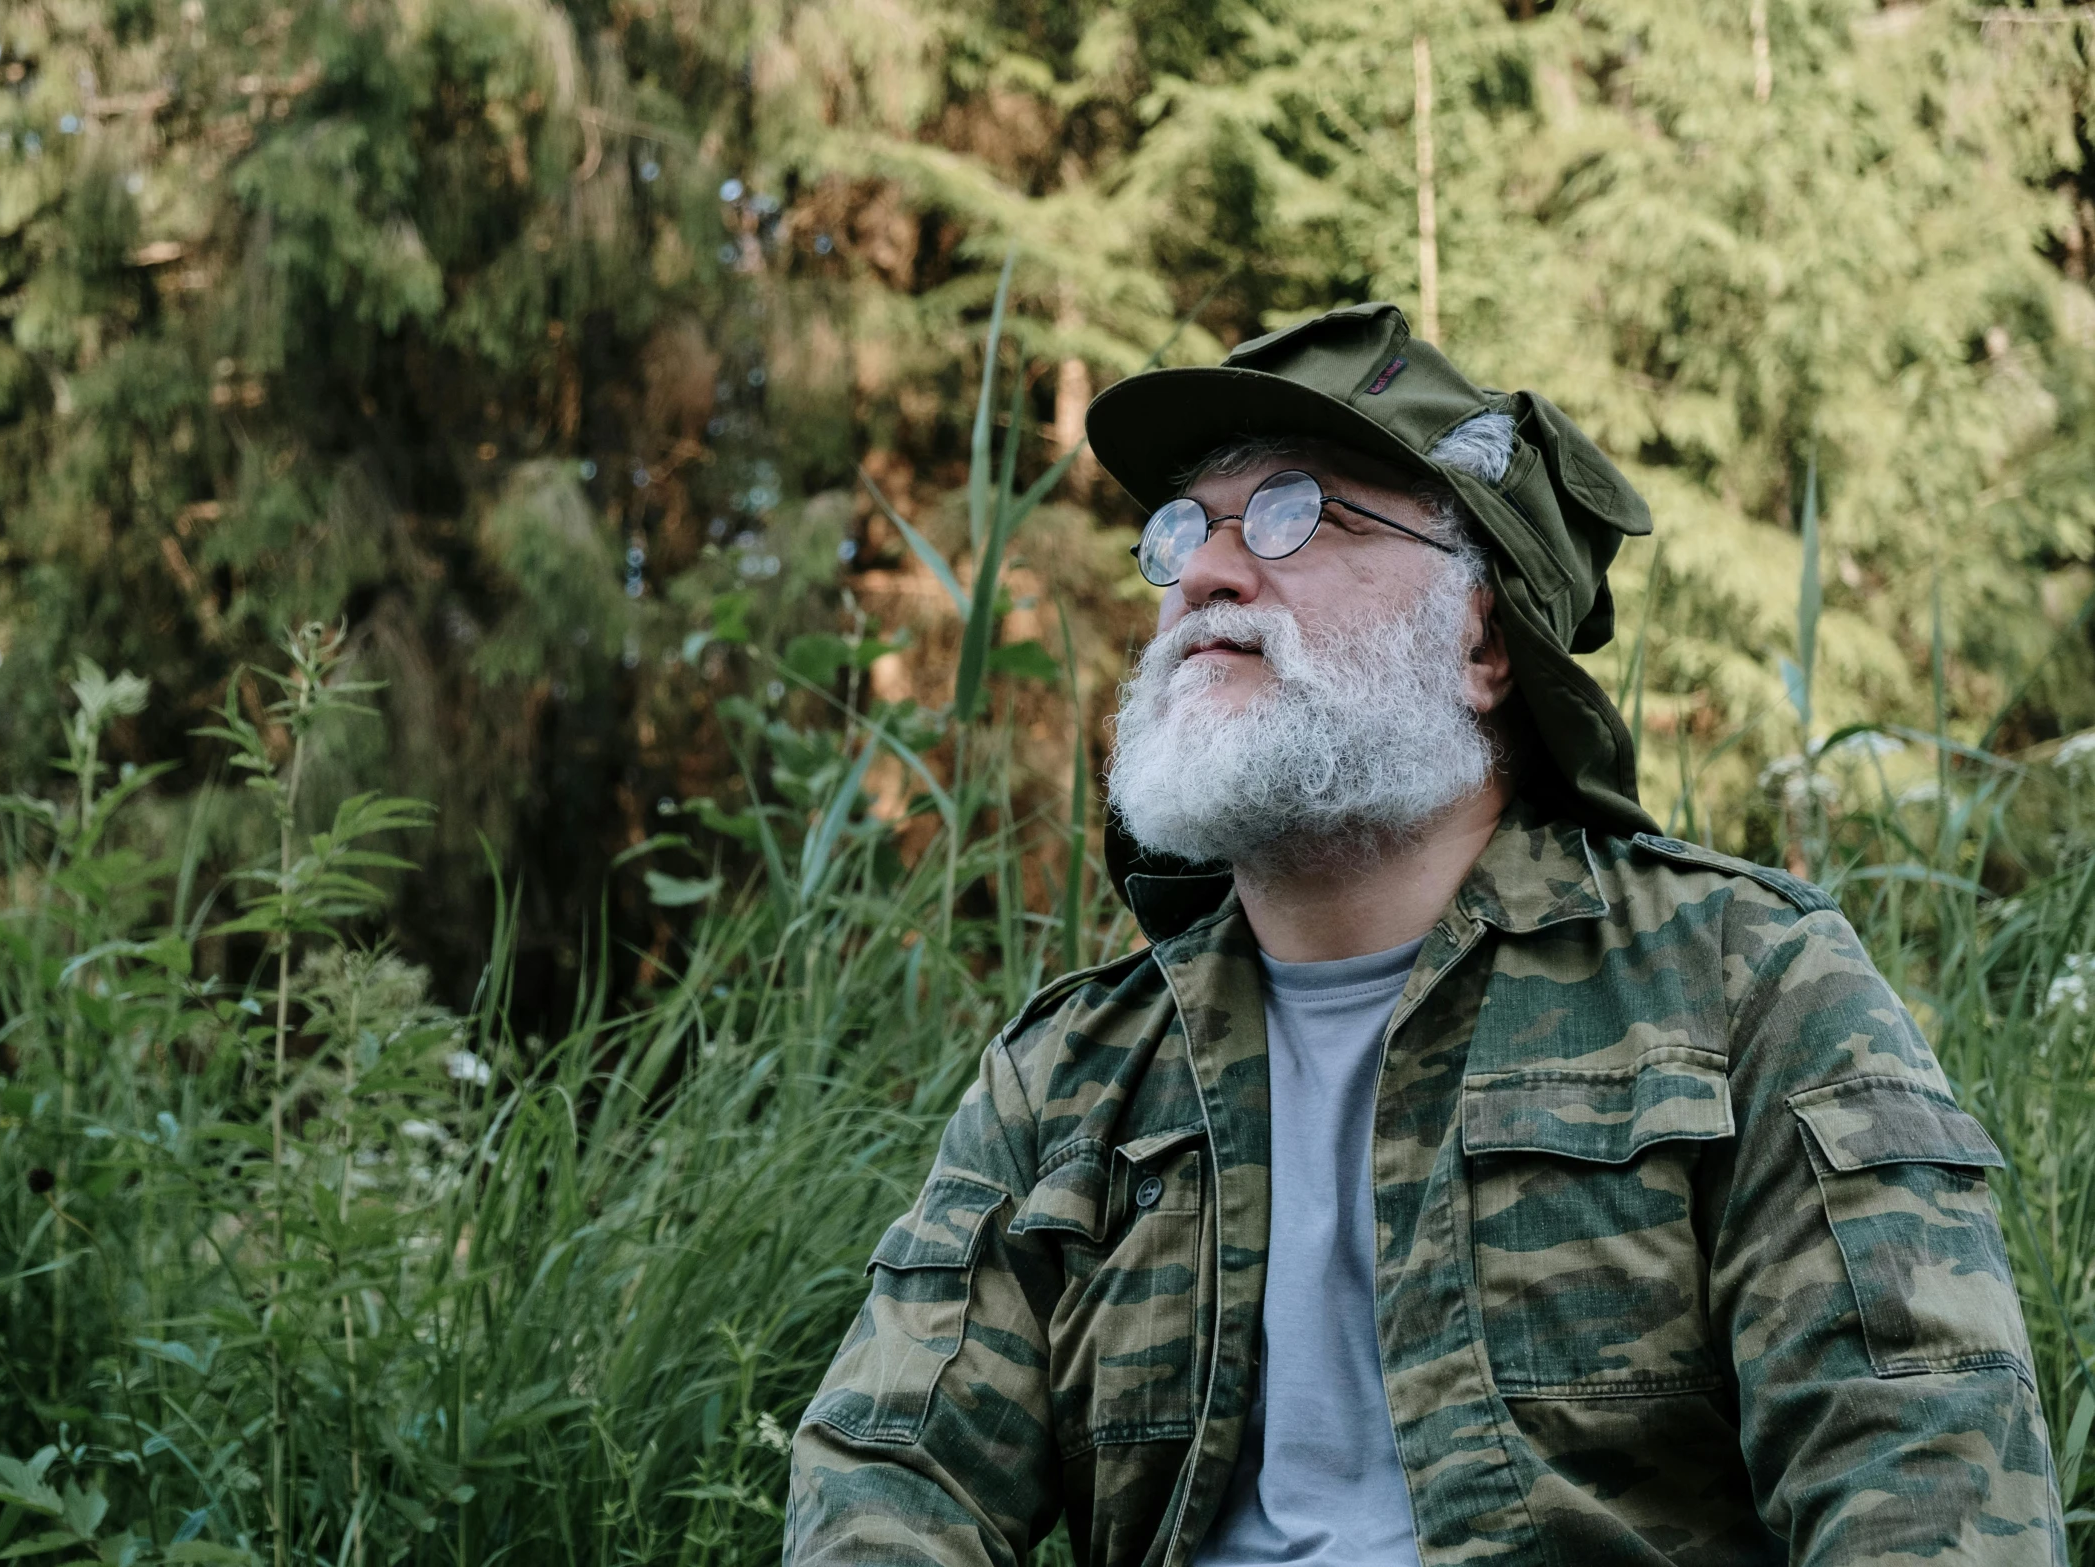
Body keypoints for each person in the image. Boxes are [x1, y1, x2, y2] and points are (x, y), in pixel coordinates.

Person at [782, 302, 2063, 1566]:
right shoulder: (1069, 1072)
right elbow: (892, 1473)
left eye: (1294, 512)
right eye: (1182, 532)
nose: (1208, 573)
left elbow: (1924, 1477)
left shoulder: (1745, 982)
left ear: (1481, 638)